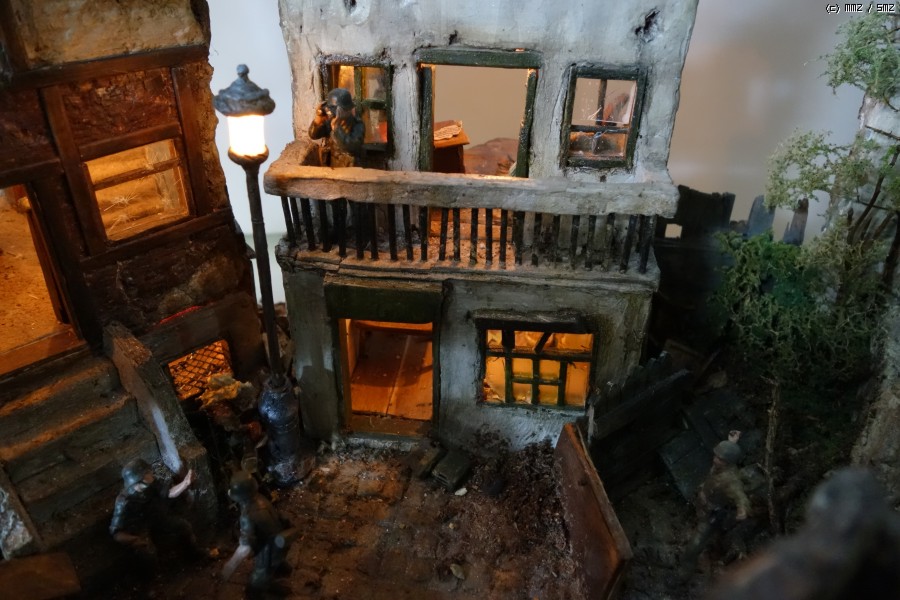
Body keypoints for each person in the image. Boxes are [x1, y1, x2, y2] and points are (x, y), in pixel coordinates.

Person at [679, 430, 752, 579]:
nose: (715, 460)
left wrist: (743, 509)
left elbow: (741, 497)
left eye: (720, 459)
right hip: (702, 501)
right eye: (716, 456)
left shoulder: (731, 481)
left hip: (711, 513)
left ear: (728, 462)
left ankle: (686, 568)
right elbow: (727, 454)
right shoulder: (720, 467)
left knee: (696, 543)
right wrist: (731, 443)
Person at [109, 458, 199, 571]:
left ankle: (194, 555)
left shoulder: (151, 483)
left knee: (184, 526)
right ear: (139, 480)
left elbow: (169, 492)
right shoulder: (124, 501)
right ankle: (154, 577)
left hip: (157, 518)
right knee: (147, 553)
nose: (151, 473)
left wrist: (185, 483)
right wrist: (135, 540)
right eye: (147, 472)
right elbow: (117, 533)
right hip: (139, 529)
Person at [222, 471, 297, 597]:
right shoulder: (261, 498)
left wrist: (230, 565)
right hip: (281, 539)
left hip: (268, 550)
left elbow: (245, 547)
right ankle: (282, 568)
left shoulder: (247, 515)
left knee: (255, 584)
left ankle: (268, 589)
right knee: (276, 561)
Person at [308, 88, 365, 167]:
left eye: (338, 110)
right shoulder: (330, 122)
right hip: (335, 165)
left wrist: (337, 128)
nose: (333, 113)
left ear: (348, 109)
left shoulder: (357, 124)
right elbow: (313, 135)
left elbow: (351, 147)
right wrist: (318, 119)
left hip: (352, 167)